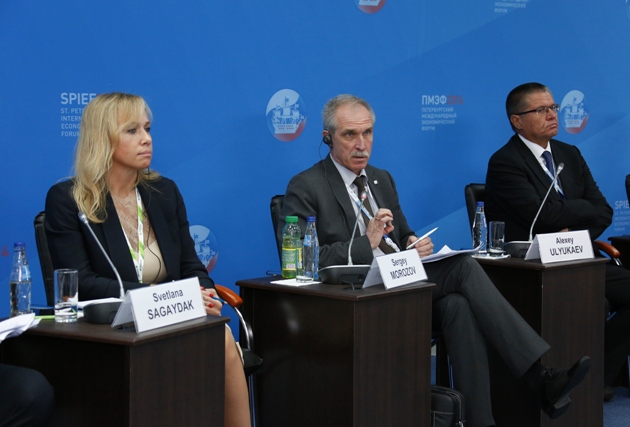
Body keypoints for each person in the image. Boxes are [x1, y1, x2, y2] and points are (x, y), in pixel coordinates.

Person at [278, 94, 591, 427]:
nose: (361, 144)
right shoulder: (307, 185)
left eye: (367, 133)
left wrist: (413, 244)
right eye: (350, 135)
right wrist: (366, 243)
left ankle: (482, 422)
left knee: (458, 305)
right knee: (463, 267)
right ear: (328, 137)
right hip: (349, 297)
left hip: (398, 286)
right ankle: (539, 378)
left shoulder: (381, 179)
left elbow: (402, 235)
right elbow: (302, 262)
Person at [44, 92, 250, 427]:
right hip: (113, 327)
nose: (147, 139)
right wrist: (157, 297)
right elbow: (80, 282)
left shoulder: (163, 192)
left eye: (147, 128)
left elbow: (190, 265)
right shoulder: (70, 200)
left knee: (221, 336)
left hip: (170, 317)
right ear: (103, 138)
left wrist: (206, 293)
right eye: (132, 130)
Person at [485, 82, 630, 402]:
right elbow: (543, 215)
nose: (552, 115)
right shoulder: (505, 162)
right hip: (530, 266)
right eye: (541, 110)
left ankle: (596, 374)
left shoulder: (569, 153)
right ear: (517, 120)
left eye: (553, 108)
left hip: (579, 256)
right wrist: (577, 210)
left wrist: (570, 228)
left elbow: (603, 211)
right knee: (590, 301)